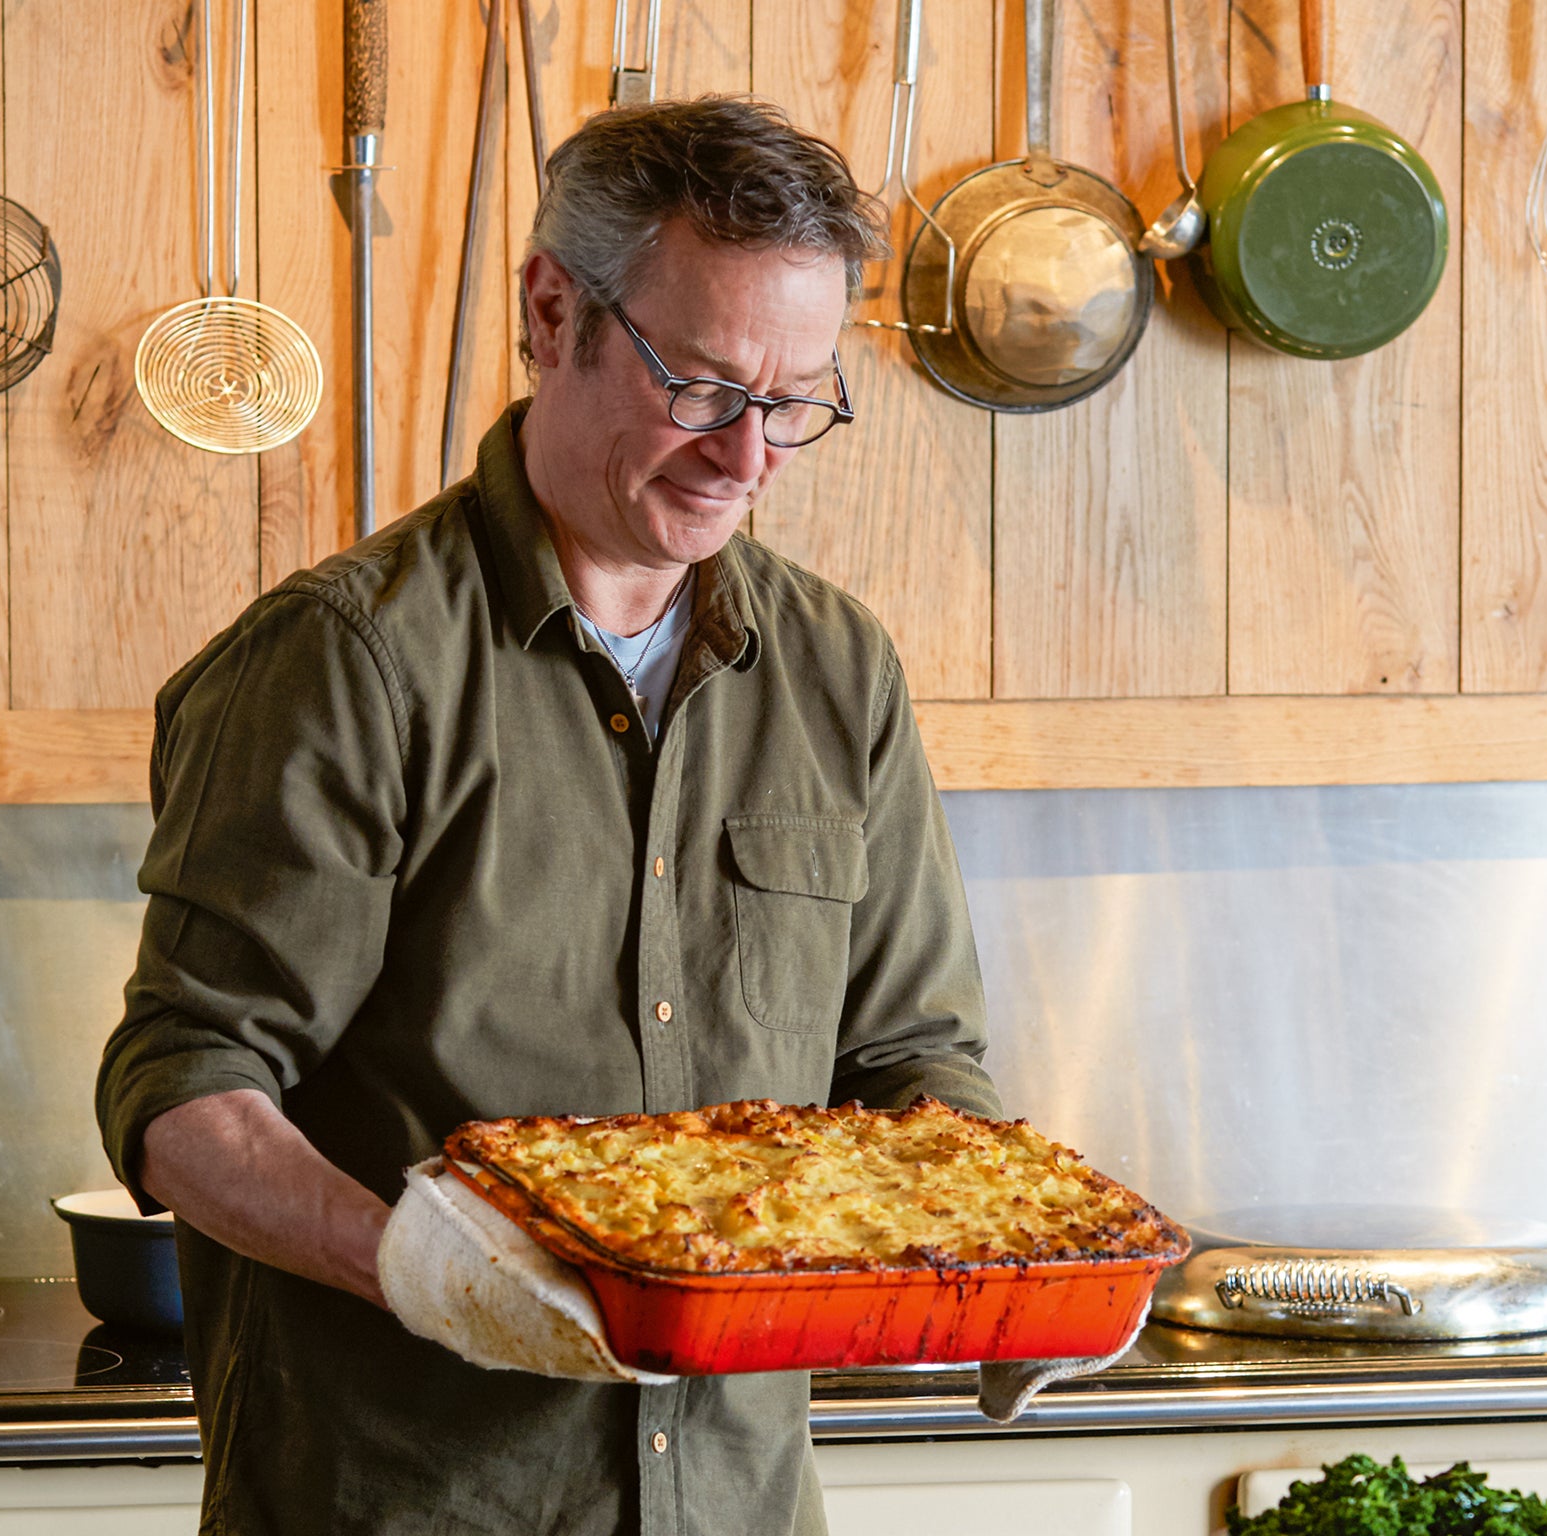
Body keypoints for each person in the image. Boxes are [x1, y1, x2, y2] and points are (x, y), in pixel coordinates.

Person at [95, 95, 1001, 1536]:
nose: (746, 458)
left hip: (736, 1503)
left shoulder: (841, 672)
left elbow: (911, 1057)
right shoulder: (348, 661)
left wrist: (1000, 1250)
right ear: (551, 311)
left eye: (794, 400)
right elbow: (184, 1089)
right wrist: (423, 1269)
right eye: (700, 387)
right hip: (410, 1501)